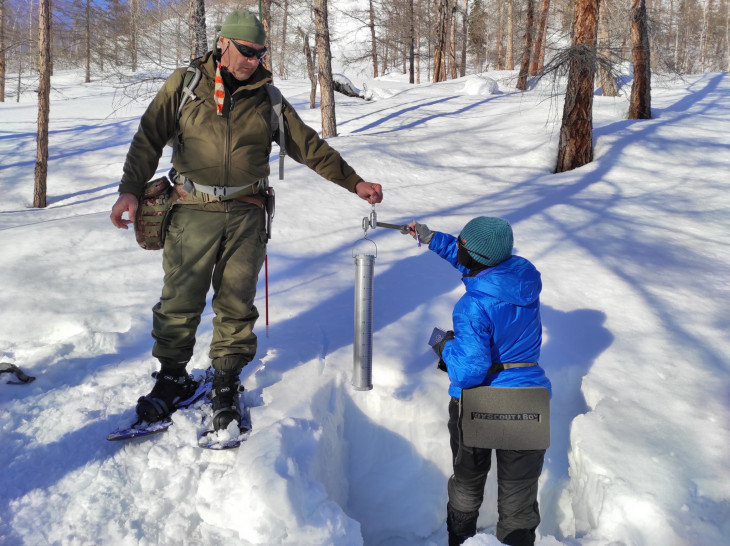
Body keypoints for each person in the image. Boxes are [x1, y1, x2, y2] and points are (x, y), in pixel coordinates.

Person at [110, 10, 383, 433]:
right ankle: (172, 378)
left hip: (246, 214)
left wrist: (354, 182)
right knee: (180, 301)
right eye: (247, 51)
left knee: (236, 302)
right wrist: (130, 188)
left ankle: (225, 382)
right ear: (223, 44)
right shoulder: (184, 86)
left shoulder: (267, 98)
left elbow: (308, 145)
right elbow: (148, 137)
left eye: (260, 53)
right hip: (191, 210)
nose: (254, 60)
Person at [409, 217, 551, 546]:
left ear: (476, 256)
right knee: (519, 499)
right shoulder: (521, 278)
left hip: (480, 402)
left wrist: (445, 346)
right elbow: (473, 256)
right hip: (529, 398)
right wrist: (431, 239)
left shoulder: (472, 306)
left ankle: (461, 540)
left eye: (460, 242)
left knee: (467, 484)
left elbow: (470, 369)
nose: (457, 244)